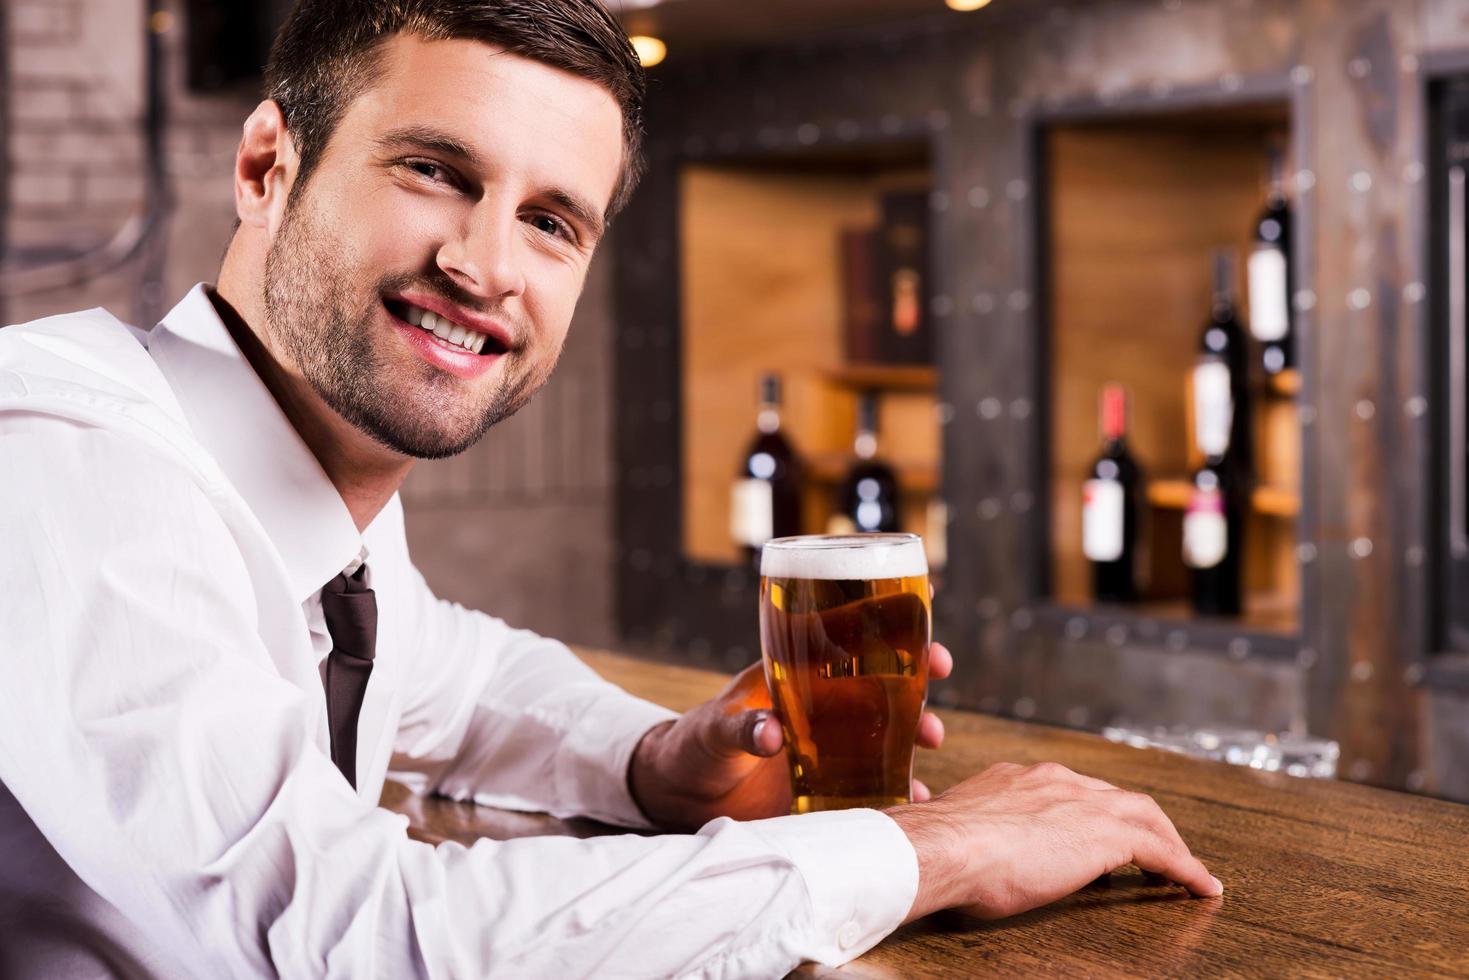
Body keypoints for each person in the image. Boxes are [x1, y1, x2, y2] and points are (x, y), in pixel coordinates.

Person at [0, 0, 1221, 976]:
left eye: (549, 221)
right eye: (432, 169)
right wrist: (921, 848)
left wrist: (654, 758)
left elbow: (456, 676)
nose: (483, 264)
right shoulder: (61, 450)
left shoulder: (303, 495)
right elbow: (349, 933)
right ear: (268, 164)